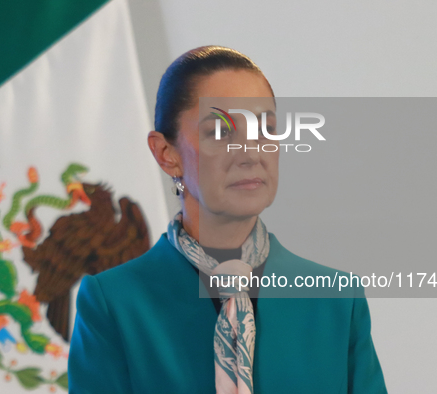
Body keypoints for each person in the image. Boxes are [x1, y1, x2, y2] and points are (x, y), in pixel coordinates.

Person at [68, 45, 387, 394]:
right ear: (166, 154)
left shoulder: (336, 300)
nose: (250, 153)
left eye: (265, 129)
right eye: (220, 132)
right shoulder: (114, 304)